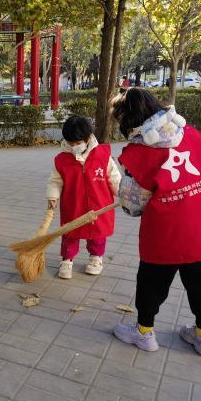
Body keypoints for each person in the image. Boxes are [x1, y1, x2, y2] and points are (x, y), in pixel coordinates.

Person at [111, 88, 201, 356]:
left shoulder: (137, 155)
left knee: (151, 285)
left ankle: (144, 333)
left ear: (128, 118)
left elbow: (133, 206)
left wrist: (127, 192)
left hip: (164, 236)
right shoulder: (192, 134)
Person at [46, 116, 121, 279]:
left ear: (88, 138)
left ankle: (96, 258)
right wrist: (52, 196)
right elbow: (55, 181)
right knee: (70, 233)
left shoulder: (102, 155)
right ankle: (66, 260)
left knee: (97, 234)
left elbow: (113, 176)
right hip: (73, 205)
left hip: (100, 205)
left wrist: (122, 192)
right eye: (70, 143)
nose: (74, 147)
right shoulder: (62, 160)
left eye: (77, 143)